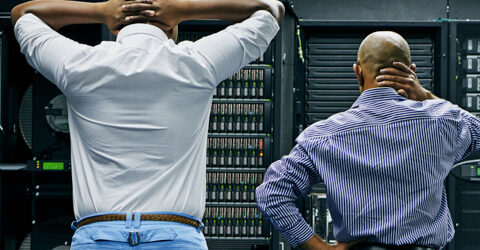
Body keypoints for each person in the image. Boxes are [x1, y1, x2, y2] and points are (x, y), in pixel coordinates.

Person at [11, 0, 284, 248]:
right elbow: (271, 10)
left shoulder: (77, 64)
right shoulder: (198, 62)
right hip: (176, 236)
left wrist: (100, 12)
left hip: (97, 235)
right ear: (172, 28)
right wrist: (184, 9)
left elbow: (23, 14)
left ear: (116, 28)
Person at [256, 31, 480, 250]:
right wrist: (424, 95)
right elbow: (475, 130)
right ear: (411, 72)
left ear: (358, 72)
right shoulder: (441, 121)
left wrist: (318, 247)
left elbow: (272, 193)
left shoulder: (323, 136)